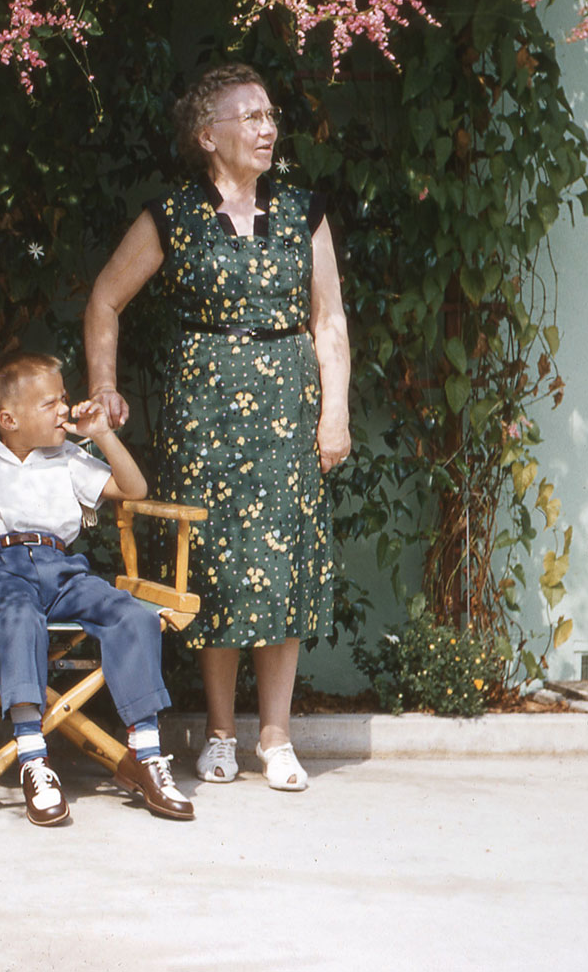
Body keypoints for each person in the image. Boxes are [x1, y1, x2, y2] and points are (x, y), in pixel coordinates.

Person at [83, 63, 351, 792]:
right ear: (208, 135)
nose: (267, 128)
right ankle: (222, 732)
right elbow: (105, 298)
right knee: (214, 565)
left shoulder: (303, 210)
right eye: (250, 117)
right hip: (203, 419)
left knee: (282, 568)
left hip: (288, 415)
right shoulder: (173, 213)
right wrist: (104, 385)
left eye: (270, 116)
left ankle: (277, 737)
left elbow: (328, 318)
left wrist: (335, 411)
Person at [0, 351, 194, 827]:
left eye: (63, 399)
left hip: (63, 570)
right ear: (9, 419)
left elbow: (134, 489)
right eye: (51, 403)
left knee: (133, 615)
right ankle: (33, 759)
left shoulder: (69, 457)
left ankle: (145, 756)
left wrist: (102, 434)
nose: (64, 409)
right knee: (19, 619)